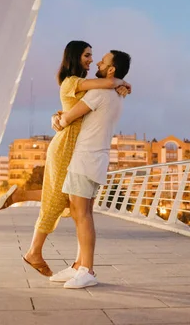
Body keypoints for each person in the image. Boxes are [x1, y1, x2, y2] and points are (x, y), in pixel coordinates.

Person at [0, 41, 131, 276]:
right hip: (66, 145)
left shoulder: (88, 86)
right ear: (75, 57)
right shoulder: (74, 82)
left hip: (74, 144)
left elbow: (93, 98)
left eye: (94, 56)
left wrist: (120, 85)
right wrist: (120, 82)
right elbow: (106, 83)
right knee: (59, 198)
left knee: (63, 198)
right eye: (87, 55)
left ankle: (21, 199)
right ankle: (35, 251)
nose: (92, 60)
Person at [47, 50, 131, 288]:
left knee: (81, 215)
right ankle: (78, 266)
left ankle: (87, 270)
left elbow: (68, 118)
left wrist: (57, 119)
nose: (99, 62)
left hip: (85, 159)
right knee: (82, 214)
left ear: (111, 70)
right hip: (97, 158)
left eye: (104, 61)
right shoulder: (117, 94)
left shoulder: (99, 92)